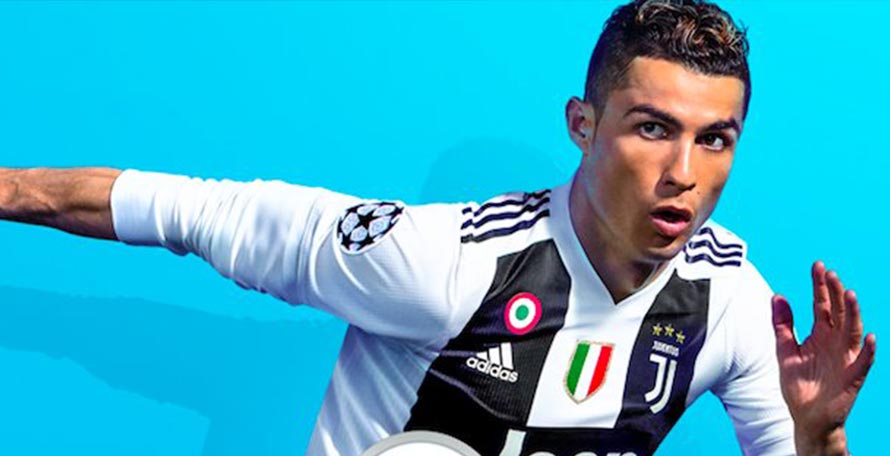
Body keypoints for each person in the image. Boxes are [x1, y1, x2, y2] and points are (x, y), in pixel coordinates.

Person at [0, 0, 876, 455]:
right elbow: (190, 210)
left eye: (714, 139)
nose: (683, 171)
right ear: (583, 125)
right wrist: (12, 190)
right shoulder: (441, 263)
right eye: (652, 128)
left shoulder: (731, 306)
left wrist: (821, 437)